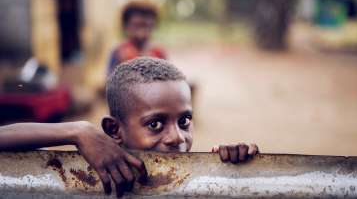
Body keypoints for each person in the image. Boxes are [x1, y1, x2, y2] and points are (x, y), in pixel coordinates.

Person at [0, 58, 259, 197]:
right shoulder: (98, 167)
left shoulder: (197, 175)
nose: (177, 137)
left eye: (184, 121)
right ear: (114, 130)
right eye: (155, 124)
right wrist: (77, 131)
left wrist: (232, 168)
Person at [108, 0, 166, 76]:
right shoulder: (119, 52)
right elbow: (111, 82)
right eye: (137, 25)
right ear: (126, 26)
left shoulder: (159, 53)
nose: (142, 31)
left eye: (147, 25)